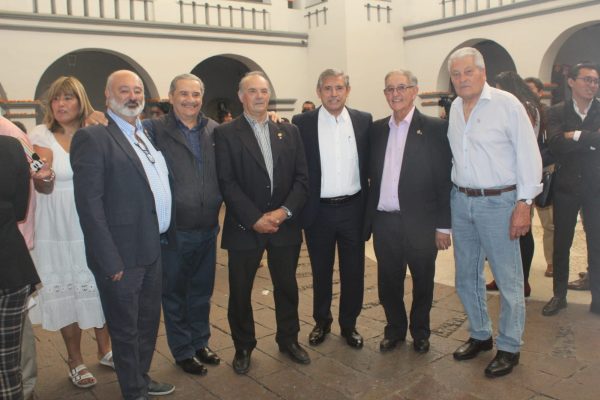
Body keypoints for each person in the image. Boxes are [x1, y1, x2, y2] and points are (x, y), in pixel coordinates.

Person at [71, 70, 175, 399]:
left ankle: (141, 378)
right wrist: (108, 259)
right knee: (126, 329)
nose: (133, 96)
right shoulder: (94, 137)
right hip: (122, 255)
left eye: (137, 90)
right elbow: (89, 206)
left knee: (147, 323)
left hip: (152, 247)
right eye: (124, 90)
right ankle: (133, 391)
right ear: (107, 96)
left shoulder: (146, 133)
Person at [447, 47, 542, 378]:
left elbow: (529, 155)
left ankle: (510, 346)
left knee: (508, 280)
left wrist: (524, 204)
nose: (462, 79)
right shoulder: (455, 108)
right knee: (466, 276)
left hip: (499, 203)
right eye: (456, 74)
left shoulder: (507, 105)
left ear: (483, 72)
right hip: (462, 201)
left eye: (468, 71)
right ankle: (480, 334)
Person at [214, 71, 310, 374]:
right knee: (240, 291)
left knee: (287, 286)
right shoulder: (226, 133)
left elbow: (302, 179)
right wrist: (254, 218)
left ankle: (289, 339)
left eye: (264, 91)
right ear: (241, 96)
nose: (259, 96)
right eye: (252, 91)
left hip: (284, 225)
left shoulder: (289, 131)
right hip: (245, 226)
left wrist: (284, 212)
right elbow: (226, 182)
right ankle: (243, 346)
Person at [29, 76, 113, 389]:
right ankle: (75, 360)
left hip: (92, 220)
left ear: (81, 101)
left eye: (68, 98)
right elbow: (40, 171)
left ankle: (105, 349)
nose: (61, 104)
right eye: (56, 98)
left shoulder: (95, 131)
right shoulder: (40, 135)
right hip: (58, 226)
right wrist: (43, 176)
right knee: (69, 290)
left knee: (100, 285)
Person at [363, 70, 452, 354]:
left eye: (401, 87)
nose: (395, 94)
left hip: (421, 223)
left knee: (423, 281)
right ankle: (395, 330)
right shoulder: (376, 130)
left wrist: (443, 226)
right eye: (390, 89)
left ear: (414, 91)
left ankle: (421, 332)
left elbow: (444, 180)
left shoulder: (435, 129)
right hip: (385, 221)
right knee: (388, 282)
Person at [143, 74, 222, 375]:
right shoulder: (153, 130)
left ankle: (200, 342)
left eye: (196, 94)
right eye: (184, 94)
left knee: (201, 291)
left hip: (208, 227)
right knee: (174, 293)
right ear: (171, 96)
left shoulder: (215, 130)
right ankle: (183, 350)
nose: (190, 100)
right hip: (175, 231)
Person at [292, 69, 372, 348]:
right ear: (319, 92)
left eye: (338, 88)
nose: (333, 94)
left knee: (354, 271)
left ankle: (349, 325)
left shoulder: (363, 120)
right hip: (319, 211)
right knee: (320, 270)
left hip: (353, 209)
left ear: (347, 90)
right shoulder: (302, 123)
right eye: (327, 88)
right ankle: (322, 321)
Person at [542, 62, 600, 316]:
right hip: (565, 187)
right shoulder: (556, 111)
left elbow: (566, 141)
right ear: (572, 82)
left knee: (597, 243)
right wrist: (590, 139)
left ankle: (597, 298)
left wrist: (574, 135)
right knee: (561, 242)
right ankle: (559, 295)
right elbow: (555, 144)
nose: (592, 85)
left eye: (595, 81)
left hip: (596, 187)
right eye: (587, 79)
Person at [485, 71, 545, 297]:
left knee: (521, 230)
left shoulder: (522, 107)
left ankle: (521, 281)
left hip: (519, 176)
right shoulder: (528, 105)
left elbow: (520, 144)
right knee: (511, 232)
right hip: (516, 174)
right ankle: (507, 278)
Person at [0, 135, 41, 400]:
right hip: (10, 264)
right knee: (7, 363)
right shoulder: (10, 146)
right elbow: (18, 211)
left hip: (10, 267)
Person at [524, 76, 555, 279]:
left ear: (540, 92)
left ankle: (551, 262)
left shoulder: (548, 114)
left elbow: (552, 144)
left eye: (531, 89)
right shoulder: (519, 111)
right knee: (523, 222)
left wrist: (537, 160)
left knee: (549, 223)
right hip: (523, 174)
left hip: (544, 171)